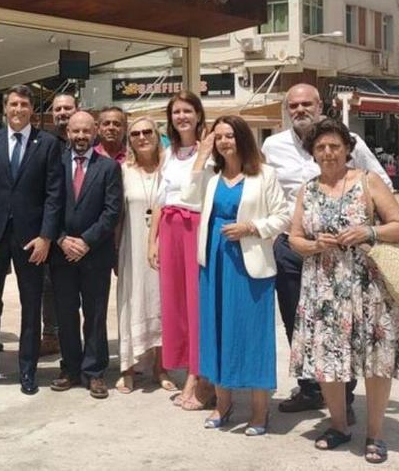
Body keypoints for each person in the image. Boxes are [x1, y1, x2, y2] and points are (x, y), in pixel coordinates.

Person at [263, 83, 390, 418]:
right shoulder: (272, 145)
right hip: (294, 246)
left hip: (344, 254)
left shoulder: (350, 142)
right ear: (287, 109)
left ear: (320, 105)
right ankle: (309, 389)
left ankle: (343, 401)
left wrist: (361, 223)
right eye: (294, 106)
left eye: (307, 104)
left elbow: (382, 183)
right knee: (299, 322)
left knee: (341, 326)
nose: (300, 110)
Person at [289, 118, 399, 464]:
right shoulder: (307, 190)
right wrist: (313, 245)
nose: (328, 153)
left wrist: (368, 233)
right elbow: (295, 237)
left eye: (334, 146)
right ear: (313, 153)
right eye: (321, 147)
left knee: (374, 360)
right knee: (329, 360)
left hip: (368, 286)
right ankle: (339, 426)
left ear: (347, 150)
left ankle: (375, 434)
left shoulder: (368, 181)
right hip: (324, 289)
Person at [183, 115, 290, 436]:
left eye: (229, 135)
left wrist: (252, 227)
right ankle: (222, 404)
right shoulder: (212, 177)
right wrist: (201, 156)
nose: (224, 142)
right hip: (214, 261)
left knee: (252, 334)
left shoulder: (264, 174)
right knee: (215, 331)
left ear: (242, 138)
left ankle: (260, 412)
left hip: (250, 261)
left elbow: (283, 215)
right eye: (219, 137)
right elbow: (188, 198)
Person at [0, 84, 64, 395]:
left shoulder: (47, 143)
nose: (18, 109)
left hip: (31, 238)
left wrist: (46, 236)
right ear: (5, 106)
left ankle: (27, 370)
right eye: (13, 104)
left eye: (24, 104)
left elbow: (53, 194)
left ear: (31, 109)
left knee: (30, 303)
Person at [147, 90, 212, 411]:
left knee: (197, 303)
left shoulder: (210, 149)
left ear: (198, 115)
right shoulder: (168, 152)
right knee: (177, 304)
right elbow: (160, 198)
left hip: (197, 228)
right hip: (170, 229)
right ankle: (187, 367)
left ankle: (198, 376)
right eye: (176, 112)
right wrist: (152, 240)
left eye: (188, 111)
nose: (182, 117)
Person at [49, 111, 122, 399]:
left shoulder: (108, 168)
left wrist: (86, 242)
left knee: (95, 314)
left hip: (95, 254)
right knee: (66, 314)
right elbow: (47, 205)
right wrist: (62, 239)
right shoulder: (54, 165)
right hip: (61, 253)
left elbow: (112, 211)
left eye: (86, 131)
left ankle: (94, 372)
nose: (80, 136)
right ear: (67, 133)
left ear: (95, 133)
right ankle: (70, 367)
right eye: (75, 131)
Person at [116, 117, 170, 394]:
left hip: (165, 246)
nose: (141, 137)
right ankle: (128, 367)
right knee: (131, 300)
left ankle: (161, 367)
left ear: (158, 135)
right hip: (133, 247)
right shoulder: (123, 170)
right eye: (135, 133)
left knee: (162, 302)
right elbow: (116, 214)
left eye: (147, 131)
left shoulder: (170, 169)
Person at [40, 92, 79, 355]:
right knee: (49, 287)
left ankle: (80, 343)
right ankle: (50, 335)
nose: (63, 112)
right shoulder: (43, 143)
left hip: (85, 232)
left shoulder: (85, 140)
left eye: (68, 108)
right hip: (53, 230)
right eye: (58, 109)